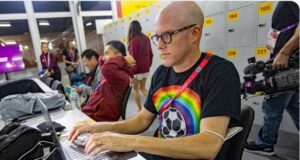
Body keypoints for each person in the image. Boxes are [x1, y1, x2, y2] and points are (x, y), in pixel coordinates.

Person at [69, 2, 241, 159]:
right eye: (157, 37)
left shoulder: (220, 73)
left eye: (167, 35)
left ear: (194, 33)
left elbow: (209, 145)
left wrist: (130, 141)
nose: (159, 45)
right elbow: (143, 120)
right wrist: (101, 127)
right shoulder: (161, 73)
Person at [245, 1, 299, 156]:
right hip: (286, 65)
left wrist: (284, 53)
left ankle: (266, 144)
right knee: (294, 105)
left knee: (272, 107)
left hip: (286, 66)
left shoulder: (290, 2)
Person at [81, 41, 135, 122]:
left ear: (118, 56)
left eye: (106, 53)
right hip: (93, 113)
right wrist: (104, 58)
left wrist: (123, 59)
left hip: (99, 118)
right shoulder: (114, 74)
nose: (103, 57)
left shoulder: (122, 76)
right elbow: (102, 63)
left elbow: (106, 69)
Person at [127, 20, 153, 111]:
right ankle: (156, 105)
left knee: (136, 90)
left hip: (137, 71)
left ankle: (140, 109)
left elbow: (132, 59)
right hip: (146, 69)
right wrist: (148, 66)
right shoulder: (146, 38)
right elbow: (151, 54)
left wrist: (131, 74)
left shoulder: (134, 40)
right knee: (143, 88)